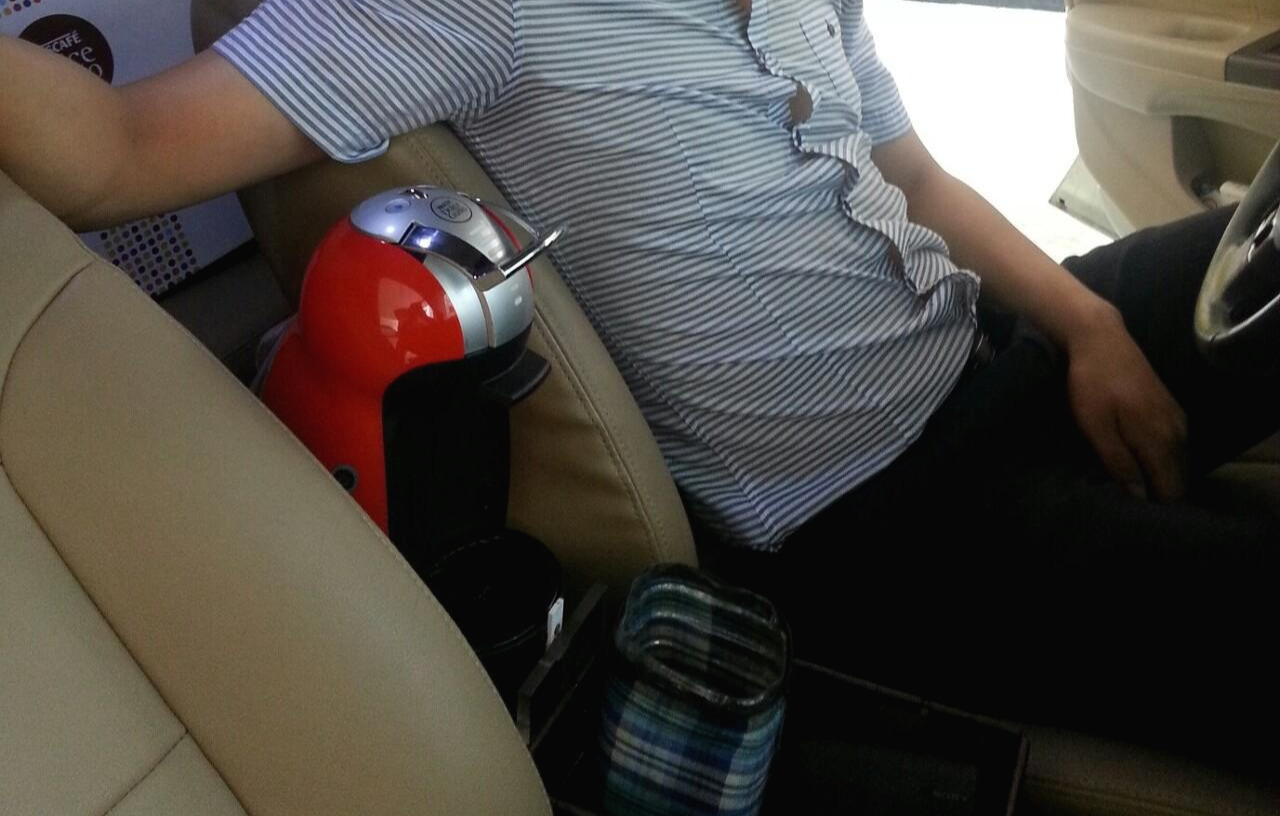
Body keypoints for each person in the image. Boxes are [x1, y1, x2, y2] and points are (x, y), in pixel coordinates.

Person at [3, 0, 1275, 755]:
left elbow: (915, 178)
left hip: (988, 346)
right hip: (880, 520)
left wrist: (1086, 329)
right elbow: (112, 156)